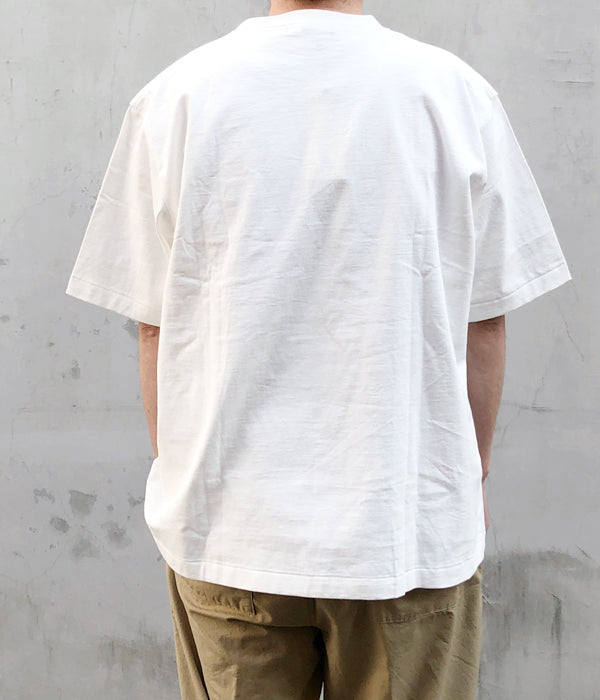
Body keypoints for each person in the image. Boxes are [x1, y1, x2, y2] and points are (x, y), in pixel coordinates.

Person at [66, 0, 572, 697]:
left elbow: (155, 327)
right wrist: (467, 474)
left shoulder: (175, 98)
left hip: (231, 531)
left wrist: (186, 476)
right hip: (404, 525)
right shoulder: (455, 96)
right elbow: (483, 322)